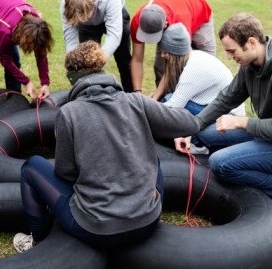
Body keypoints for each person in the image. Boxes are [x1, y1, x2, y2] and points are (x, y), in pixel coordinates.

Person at [13, 41, 199, 252]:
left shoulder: (68, 113)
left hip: (96, 229)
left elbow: (66, 172)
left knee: (31, 167)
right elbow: (191, 124)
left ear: (72, 79)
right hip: (147, 221)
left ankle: (37, 240)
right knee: (152, 158)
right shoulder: (136, 102)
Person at [175, 13, 272, 199]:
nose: (229, 57)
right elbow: (226, 99)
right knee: (203, 133)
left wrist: (243, 122)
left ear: (252, 43)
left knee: (219, 163)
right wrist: (193, 127)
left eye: (232, 51)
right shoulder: (250, 65)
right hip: (265, 133)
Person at [130, 0, 216, 96]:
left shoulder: (179, 24)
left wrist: (156, 96)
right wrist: (138, 92)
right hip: (173, 7)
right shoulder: (138, 22)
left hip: (198, 11)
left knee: (206, 64)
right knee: (160, 66)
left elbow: (177, 63)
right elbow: (137, 59)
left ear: (165, 25)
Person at [60, 0, 133, 92]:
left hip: (115, 13)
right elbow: (70, 38)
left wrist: (98, 62)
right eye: (80, 20)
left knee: (123, 60)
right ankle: (91, 95)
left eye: (85, 18)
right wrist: (72, 65)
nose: (82, 20)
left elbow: (114, 36)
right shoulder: (66, 3)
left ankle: (130, 95)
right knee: (85, 64)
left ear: (94, 5)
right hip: (87, 26)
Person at [156, 22, 245, 117]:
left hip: (229, 115)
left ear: (175, 54)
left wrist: (145, 107)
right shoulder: (195, 56)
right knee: (165, 100)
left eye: (165, 53)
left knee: (167, 106)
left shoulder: (193, 68)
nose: (162, 56)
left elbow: (174, 106)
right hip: (211, 106)